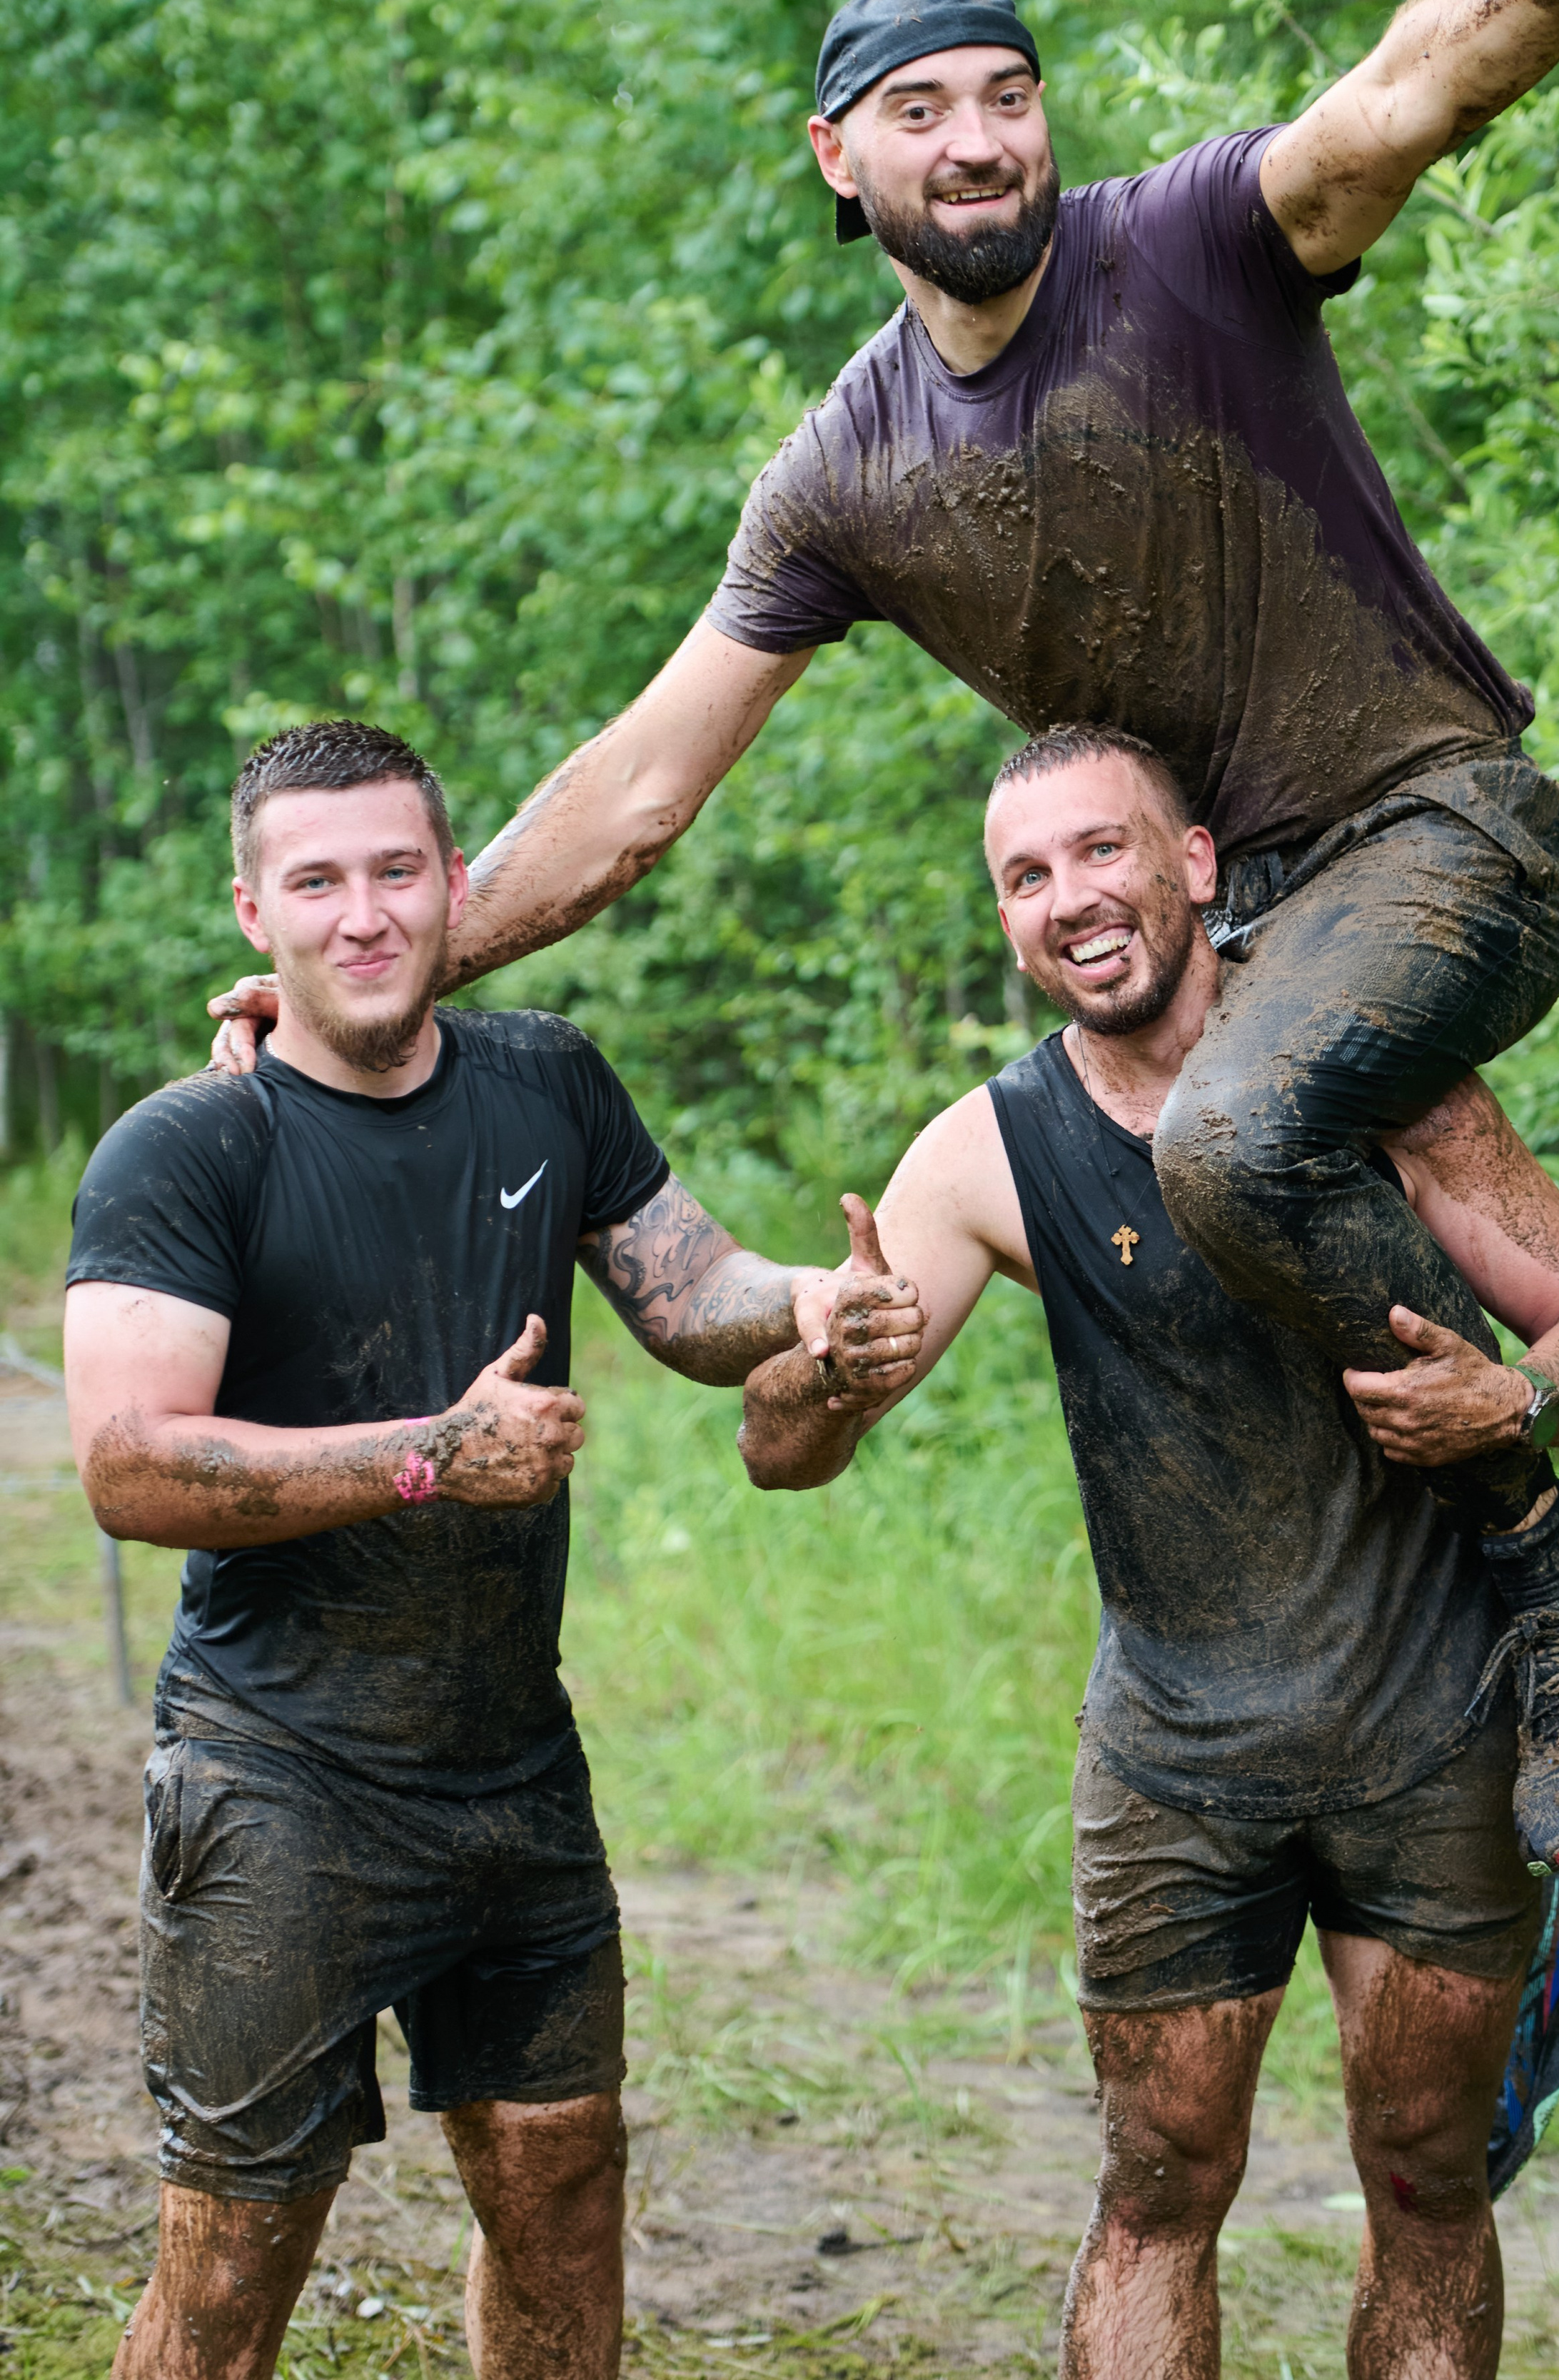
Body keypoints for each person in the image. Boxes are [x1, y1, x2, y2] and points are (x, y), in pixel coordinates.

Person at [211, 0, 1559, 1849]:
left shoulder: (1195, 249)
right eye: (923, 108)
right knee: (1274, 1186)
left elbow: (1406, 91)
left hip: (1436, 833)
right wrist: (390, 969)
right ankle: (1435, 1774)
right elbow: (638, 793)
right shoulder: (842, 472)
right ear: (840, 162)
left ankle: (1554, 1572)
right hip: (1244, 938)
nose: (980, 137)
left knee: (1226, 1142)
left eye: (1010, 95)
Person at [737, 725, 1559, 2380]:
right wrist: (827, 1367)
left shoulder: (1378, 1080)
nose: (1066, 901)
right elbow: (785, 1454)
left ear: (1189, 863)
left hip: (1432, 1729)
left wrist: (1509, 1394)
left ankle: (1540, 1954)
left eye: (1100, 852)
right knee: (1158, 2180)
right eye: (1024, 877)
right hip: (1176, 1750)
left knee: (1424, 2179)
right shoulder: (983, 1152)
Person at [65, 720, 924, 2380]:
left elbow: (685, 1291)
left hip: (513, 1770)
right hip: (278, 1778)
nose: (363, 913)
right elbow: (129, 1463)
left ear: (459, 887)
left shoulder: (545, 1076)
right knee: (236, 2260)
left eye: (397, 871)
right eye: (316, 881)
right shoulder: (186, 1147)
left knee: (560, 2187)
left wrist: (801, 1307)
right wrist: (427, 1460)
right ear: (253, 911)